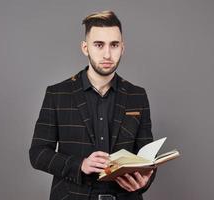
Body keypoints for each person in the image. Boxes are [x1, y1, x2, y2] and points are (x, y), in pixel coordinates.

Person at [29, 10, 155, 200]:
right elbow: (38, 154)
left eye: (114, 45)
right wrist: (80, 164)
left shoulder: (137, 95)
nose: (107, 54)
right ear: (85, 47)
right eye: (99, 45)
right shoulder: (57, 93)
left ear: (123, 47)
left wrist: (146, 181)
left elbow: (147, 158)